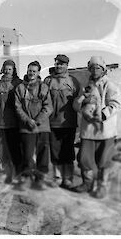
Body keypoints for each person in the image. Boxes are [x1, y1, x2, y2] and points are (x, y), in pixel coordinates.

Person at [72, 56, 121, 198]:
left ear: (103, 69)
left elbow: (116, 104)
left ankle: (102, 186)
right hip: (88, 130)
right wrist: (82, 101)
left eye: (98, 67)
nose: (95, 70)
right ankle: (87, 184)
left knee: (104, 160)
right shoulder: (85, 86)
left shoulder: (109, 85)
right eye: (92, 68)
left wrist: (103, 115)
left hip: (105, 130)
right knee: (84, 158)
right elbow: (77, 105)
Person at [15, 61, 53, 190]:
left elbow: (48, 107)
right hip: (26, 127)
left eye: (34, 71)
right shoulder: (20, 88)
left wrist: (37, 121)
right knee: (27, 154)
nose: (31, 73)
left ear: (38, 73)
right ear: (27, 71)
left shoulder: (43, 87)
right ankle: (26, 178)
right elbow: (17, 107)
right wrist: (27, 120)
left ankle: (40, 179)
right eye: (30, 70)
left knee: (43, 154)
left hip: (42, 126)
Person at [44, 54, 80, 189]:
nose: (59, 66)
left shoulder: (73, 81)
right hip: (52, 123)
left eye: (62, 64)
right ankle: (58, 177)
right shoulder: (48, 81)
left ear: (66, 65)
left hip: (69, 123)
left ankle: (68, 178)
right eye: (57, 63)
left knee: (68, 151)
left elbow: (79, 101)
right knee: (55, 151)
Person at [0, 59, 22, 183]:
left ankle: (18, 175)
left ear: (14, 70)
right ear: (2, 69)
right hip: (1, 123)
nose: (7, 71)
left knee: (15, 149)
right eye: (6, 68)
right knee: (3, 151)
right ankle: (8, 173)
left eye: (10, 69)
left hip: (15, 123)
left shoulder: (18, 83)